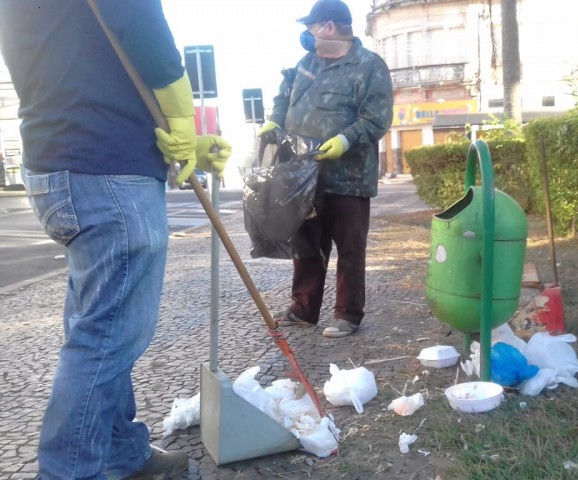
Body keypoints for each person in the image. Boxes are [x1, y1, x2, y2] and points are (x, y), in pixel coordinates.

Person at [0, 1, 231, 478]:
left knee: (99, 326)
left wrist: (176, 137)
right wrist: (184, 120)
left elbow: (80, 66)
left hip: (57, 165)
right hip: (107, 171)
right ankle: (68, 472)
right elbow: (145, 32)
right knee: (104, 339)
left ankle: (120, 452)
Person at [260, 0, 393, 338]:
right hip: (303, 176)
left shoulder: (368, 66)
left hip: (348, 178)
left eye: (311, 26)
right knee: (306, 244)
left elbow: (376, 118)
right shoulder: (307, 63)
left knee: (349, 247)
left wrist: (345, 140)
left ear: (329, 27)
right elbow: (284, 94)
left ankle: (348, 314)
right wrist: (274, 120)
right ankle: (304, 310)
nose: (307, 33)